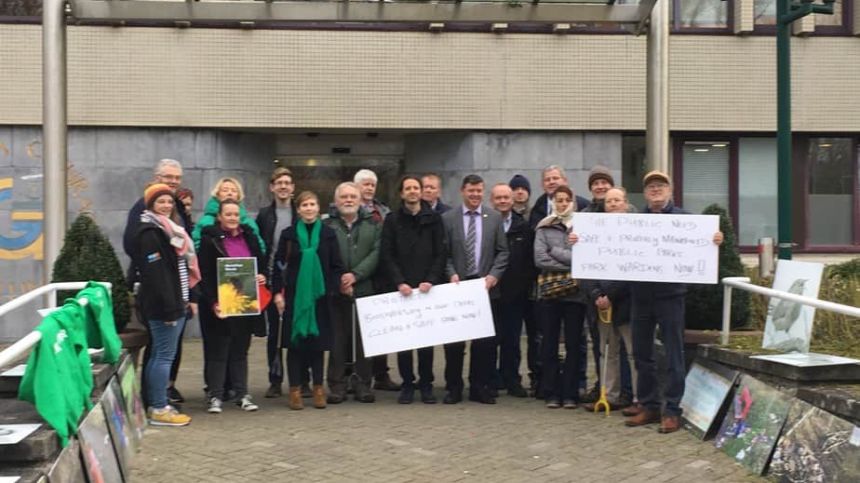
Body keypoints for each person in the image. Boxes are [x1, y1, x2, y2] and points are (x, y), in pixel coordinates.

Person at [624, 170, 723, 433]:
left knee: (673, 354)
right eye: (650, 186)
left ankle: (672, 410)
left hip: (671, 296)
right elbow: (611, 246)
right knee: (642, 354)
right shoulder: (632, 222)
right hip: (641, 296)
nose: (655, 190)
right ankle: (649, 405)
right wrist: (581, 240)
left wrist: (714, 240)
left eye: (660, 185)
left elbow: (704, 247)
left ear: (670, 191)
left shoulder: (686, 221)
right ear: (644, 194)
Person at [123, 159, 194, 407]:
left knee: (167, 351)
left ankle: (163, 393)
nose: (173, 181)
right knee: (159, 351)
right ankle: (155, 401)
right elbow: (135, 246)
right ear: (156, 177)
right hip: (162, 294)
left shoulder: (177, 211)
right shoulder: (144, 215)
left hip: (178, 290)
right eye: (168, 177)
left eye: (177, 177)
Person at [193, 177, 266, 402]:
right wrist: (213, 300)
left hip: (244, 302)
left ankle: (241, 392)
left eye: (236, 215)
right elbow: (203, 271)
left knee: (240, 350)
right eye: (228, 215)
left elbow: (260, 262)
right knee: (218, 350)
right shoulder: (208, 238)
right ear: (219, 216)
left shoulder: (250, 235)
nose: (233, 218)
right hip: (219, 303)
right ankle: (216, 393)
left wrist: (262, 277)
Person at [272, 191, 345, 410]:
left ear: (318, 207)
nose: (309, 208)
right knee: (295, 346)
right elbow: (278, 266)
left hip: (320, 299)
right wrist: (277, 293)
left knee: (317, 346)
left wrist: (330, 290)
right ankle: (294, 390)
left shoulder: (328, 234)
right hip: (294, 297)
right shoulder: (288, 235)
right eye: (305, 205)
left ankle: (318, 389)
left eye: (313, 204)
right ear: (299, 209)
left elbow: (337, 266)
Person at [441, 174, 509, 405]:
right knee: (454, 343)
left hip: (485, 288)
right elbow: (444, 253)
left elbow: (503, 252)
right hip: (457, 287)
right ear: (463, 191)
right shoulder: (448, 218)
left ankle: (480, 387)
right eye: (471, 190)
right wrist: (451, 273)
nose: (475, 195)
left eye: (479, 191)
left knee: (484, 344)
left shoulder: (494, 218)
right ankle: (454, 388)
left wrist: (493, 276)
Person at [380, 175, 447, 404]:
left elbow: (441, 253)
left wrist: (431, 280)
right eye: (407, 188)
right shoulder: (392, 220)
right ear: (401, 193)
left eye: (415, 188)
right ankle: (407, 384)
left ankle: (426, 385)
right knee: (405, 341)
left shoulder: (434, 219)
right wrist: (399, 282)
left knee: (426, 341)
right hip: (402, 289)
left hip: (427, 288)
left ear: (421, 192)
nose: (412, 191)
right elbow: (387, 254)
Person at [576, 187, 637, 412]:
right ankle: (608, 395)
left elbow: (634, 267)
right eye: (609, 201)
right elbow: (586, 266)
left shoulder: (636, 230)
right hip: (600, 303)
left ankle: (639, 399)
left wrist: (610, 295)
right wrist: (596, 295)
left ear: (625, 203)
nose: (612, 204)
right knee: (607, 352)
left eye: (617, 200)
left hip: (626, 302)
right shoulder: (592, 230)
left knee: (632, 352)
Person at [324, 182, 381, 404]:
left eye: (352, 197)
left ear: (360, 200)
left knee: (364, 340)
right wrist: (339, 279)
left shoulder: (373, 224)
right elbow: (325, 255)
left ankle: (363, 384)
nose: (348, 200)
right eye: (344, 197)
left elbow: (377, 252)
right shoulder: (328, 225)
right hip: (337, 291)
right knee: (338, 339)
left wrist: (356, 275)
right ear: (336, 201)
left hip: (364, 288)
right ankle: (337, 385)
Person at [533, 185, 588, 409]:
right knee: (549, 344)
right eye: (558, 200)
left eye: (566, 200)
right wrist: (568, 259)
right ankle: (552, 391)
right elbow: (539, 259)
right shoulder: (544, 226)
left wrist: (554, 252)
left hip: (576, 295)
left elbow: (585, 257)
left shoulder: (582, 226)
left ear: (572, 201)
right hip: (550, 294)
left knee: (574, 344)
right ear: (553, 202)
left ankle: (570, 392)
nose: (562, 204)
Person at [353, 168, 399, 392]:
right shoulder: (349, 209)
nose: (369, 188)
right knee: (357, 330)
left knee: (382, 327)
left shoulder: (385, 211)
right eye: (365, 184)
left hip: (383, 275)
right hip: (360, 275)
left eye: (372, 184)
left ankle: (381, 373)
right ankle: (356, 375)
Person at [255, 167, 298, 398]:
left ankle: (301, 379)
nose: (283, 186)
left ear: (293, 188)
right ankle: (275, 379)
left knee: (297, 332)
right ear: (272, 187)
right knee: (275, 333)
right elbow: (260, 248)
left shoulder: (299, 213)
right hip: (271, 281)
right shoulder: (264, 215)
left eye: (287, 182)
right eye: (279, 182)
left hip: (296, 282)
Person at [490, 183, 532, 398]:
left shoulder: (522, 226)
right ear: (492, 200)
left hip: (515, 293)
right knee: (491, 338)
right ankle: (491, 379)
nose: (503, 201)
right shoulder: (486, 223)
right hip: (490, 291)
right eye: (498, 198)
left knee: (512, 339)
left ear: (512, 199)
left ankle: (512, 379)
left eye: (506, 197)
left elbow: (527, 260)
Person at [508, 174, 541, 394]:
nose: (520, 192)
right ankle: (511, 378)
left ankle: (536, 376)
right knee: (511, 336)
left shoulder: (536, 215)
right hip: (513, 287)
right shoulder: (504, 217)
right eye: (516, 189)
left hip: (535, 285)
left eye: (523, 189)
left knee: (535, 336)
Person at [191, 177, 265, 252]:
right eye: (225, 190)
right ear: (217, 194)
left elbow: (259, 247)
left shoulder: (249, 223)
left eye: (234, 191)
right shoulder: (206, 221)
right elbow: (196, 245)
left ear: (238, 196)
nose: (230, 193)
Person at [528, 165, 589, 230]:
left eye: (555, 178)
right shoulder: (537, 209)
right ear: (542, 185)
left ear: (565, 181)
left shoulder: (583, 206)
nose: (551, 182)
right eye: (547, 180)